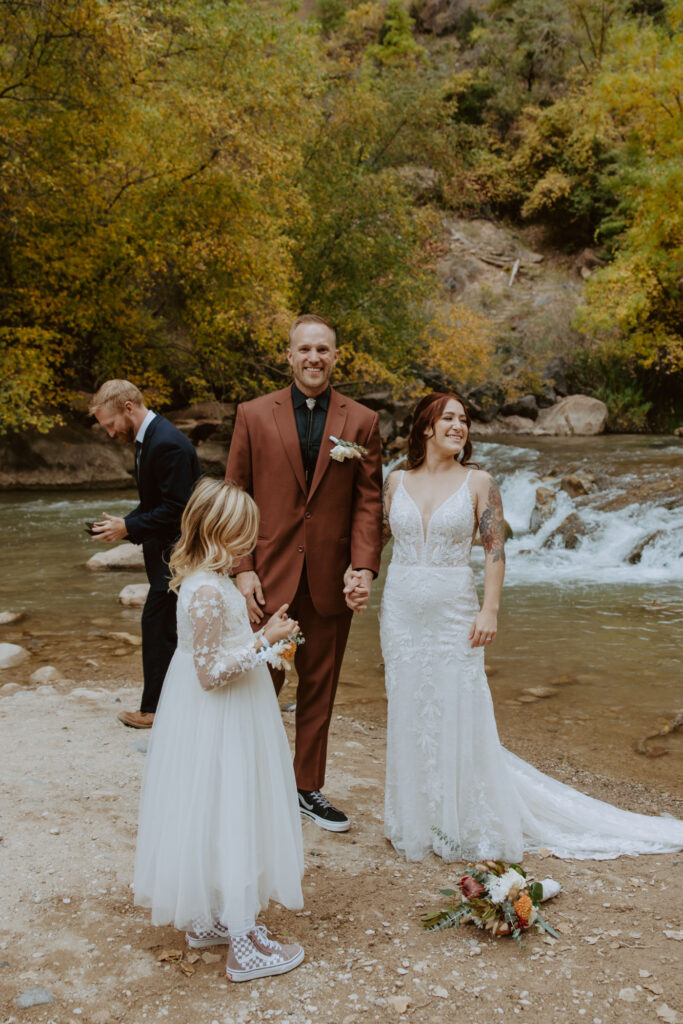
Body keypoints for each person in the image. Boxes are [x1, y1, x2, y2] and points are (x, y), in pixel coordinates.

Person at [379, 391, 683, 862]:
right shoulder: (395, 482)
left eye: (465, 419)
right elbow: (373, 540)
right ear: (425, 427)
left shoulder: (479, 482)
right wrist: (354, 576)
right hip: (399, 609)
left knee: (461, 704)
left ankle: (462, 819)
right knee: (409, 703)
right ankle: (415, 817)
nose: (460, 426)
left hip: (454, 609)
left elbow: (495, 551)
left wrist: (490, 610)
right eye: (450, 419)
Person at [134, 478, 305, 982]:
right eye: (242, 536)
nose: (249, 546)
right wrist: (262, 643)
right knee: (234, 811)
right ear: (217, 532)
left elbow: (217, 651)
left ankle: (212, 918)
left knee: (217, 811)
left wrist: (262, 637)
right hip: (222, 718)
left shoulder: (209, 579)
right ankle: (244, 943)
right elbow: (210, 674)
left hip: (225, 714)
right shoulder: (206, 591)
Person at [226, 314, 383, 832]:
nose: (314, 358)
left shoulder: (361, 421)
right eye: (305, 349)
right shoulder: (252, 414)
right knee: (256, 684)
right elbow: (236, 496)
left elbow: (367, 502)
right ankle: (247, 781)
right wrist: (242, 568)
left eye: (324, 350)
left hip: (329, 578)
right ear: (289, 355)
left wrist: (362, 567)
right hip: (267, 577)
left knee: (320, 687)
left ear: (336, 357)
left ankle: (305, 787)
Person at [90, 380, 200, 728]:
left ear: (128, 408)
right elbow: (154, 503)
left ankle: (154, 710)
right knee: (165, 628)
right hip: (166, 554)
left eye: (110, 425)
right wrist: (124, 524)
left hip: (178, 556)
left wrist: (129, 528)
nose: (110, 434)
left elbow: (179, 509)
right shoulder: (150, 439)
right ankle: (169, 705)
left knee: (159, 627)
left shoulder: (167, 443)